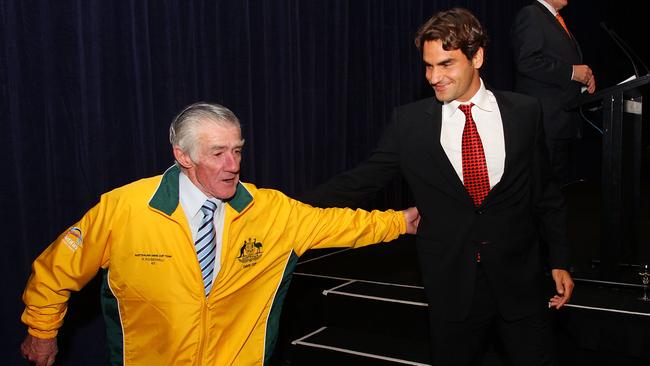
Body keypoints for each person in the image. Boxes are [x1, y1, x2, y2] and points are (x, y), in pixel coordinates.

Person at [20, 102, 420, 366]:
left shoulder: (271, 210)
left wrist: (401, 221)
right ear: (183, 156)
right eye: (218, 153)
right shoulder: (124, 209)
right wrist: (41, 332)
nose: (232, 164)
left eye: (238, 150)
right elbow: (57, 270)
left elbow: (343, 224)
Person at [300, 8, 573, 365]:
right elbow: (360, 182)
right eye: (428, 66)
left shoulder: (524, 112)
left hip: (520, 282)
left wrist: (560, 259)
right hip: (451, 286)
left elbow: (546, 194)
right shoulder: (410, 124)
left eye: (446, 64)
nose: (434, 77)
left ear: (477, 57)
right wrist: (283, 207)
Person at [511, 0, 596, 186]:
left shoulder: (556, 19)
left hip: (561, 120)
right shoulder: (531, 14)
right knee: (543, 191)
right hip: (545, 121)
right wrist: (572, 72)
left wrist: (584, 79)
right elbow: (527, 61)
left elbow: (561, 61)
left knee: (556, 190)